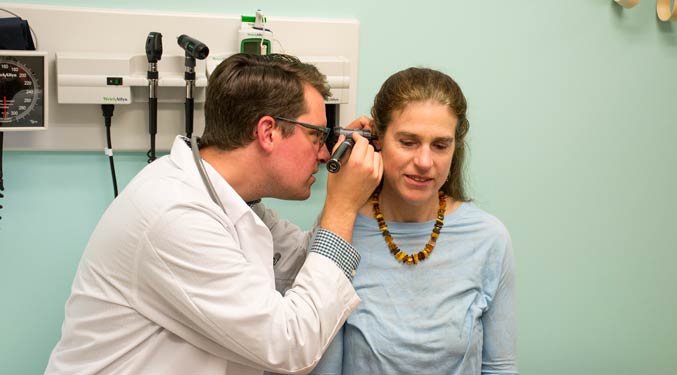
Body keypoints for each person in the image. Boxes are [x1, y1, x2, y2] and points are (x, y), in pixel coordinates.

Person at [45, 53, 383, 375]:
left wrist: (354, 188)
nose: (325, 154)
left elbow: (301, 261)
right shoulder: (175, 214)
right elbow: (291, 346)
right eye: (316, 135)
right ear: (268, 132)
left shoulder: (229, 197)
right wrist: (342, 207)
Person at [310, 67, 518, 374]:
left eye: (440, 145)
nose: (424, 162)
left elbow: (499, 368)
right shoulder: (341, 231)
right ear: (376, 140)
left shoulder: (489, 238)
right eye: (408, 142)